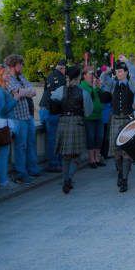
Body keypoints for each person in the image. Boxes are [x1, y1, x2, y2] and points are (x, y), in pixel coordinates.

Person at [51, 66, 93, 194]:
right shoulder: (83, 93)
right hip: (77, 123)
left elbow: (52, 106)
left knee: (65, 155)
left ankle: (65, 179)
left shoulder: (60, 90)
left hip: (63, 122)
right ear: (79, 77)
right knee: (77, 155)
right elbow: (88, 112)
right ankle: (69, 178)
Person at [100, 55, 135, 192]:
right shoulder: (112, 85)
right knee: (116, 153)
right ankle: (120, 173)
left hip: (127, 120)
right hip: (115, 120)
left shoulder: (131, 83)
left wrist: (127, 61)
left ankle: (124, 180)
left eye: (121, 71)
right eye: (117, 72)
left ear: (126, 72)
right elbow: (102, 80)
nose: (118, 74)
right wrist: (106, 71)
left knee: (126, 152)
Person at [4, 54, 42, 183]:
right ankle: (21, 172)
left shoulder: (21, 77)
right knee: (21, 146)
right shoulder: (8, 79)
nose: (22, 66)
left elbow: (33, 92)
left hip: (28, 116)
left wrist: (23, 92)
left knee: (31, 143)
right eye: (20, 64)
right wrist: (25, 91)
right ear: (14, 65)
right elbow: (16, 92)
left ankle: (32, 168)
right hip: (17, 118)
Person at [39, 59, 66, 173]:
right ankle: (54, 164)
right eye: (66, 69)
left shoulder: (51, 76)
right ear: (61, 68)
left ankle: (56, 163)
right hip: (52, 111)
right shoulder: (60, 78)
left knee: (53, 138)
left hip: (44, 109)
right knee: (54, 139)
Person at [0, 65, 19, 190]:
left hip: (1, 125)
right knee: (3, 155)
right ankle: (3, 181)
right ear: (0, 75)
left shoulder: (1, 89)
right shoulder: (0, 90)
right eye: (6, 74)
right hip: (2, 126)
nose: (9, 76)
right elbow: (2, 110)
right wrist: (15, 99)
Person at [80, 68, 105, 168]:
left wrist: (100, 87)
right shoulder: (83, 86)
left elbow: (103, 97)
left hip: (99, 115)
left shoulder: (95, 84)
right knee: (91, 138)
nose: (92, 76)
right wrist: (95, 89)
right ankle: (92, 160)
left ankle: (97, 159)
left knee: (99, 137)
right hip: (89, 116)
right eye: (90, 74)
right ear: (84, 75)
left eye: (92, 74)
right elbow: (91, 98)